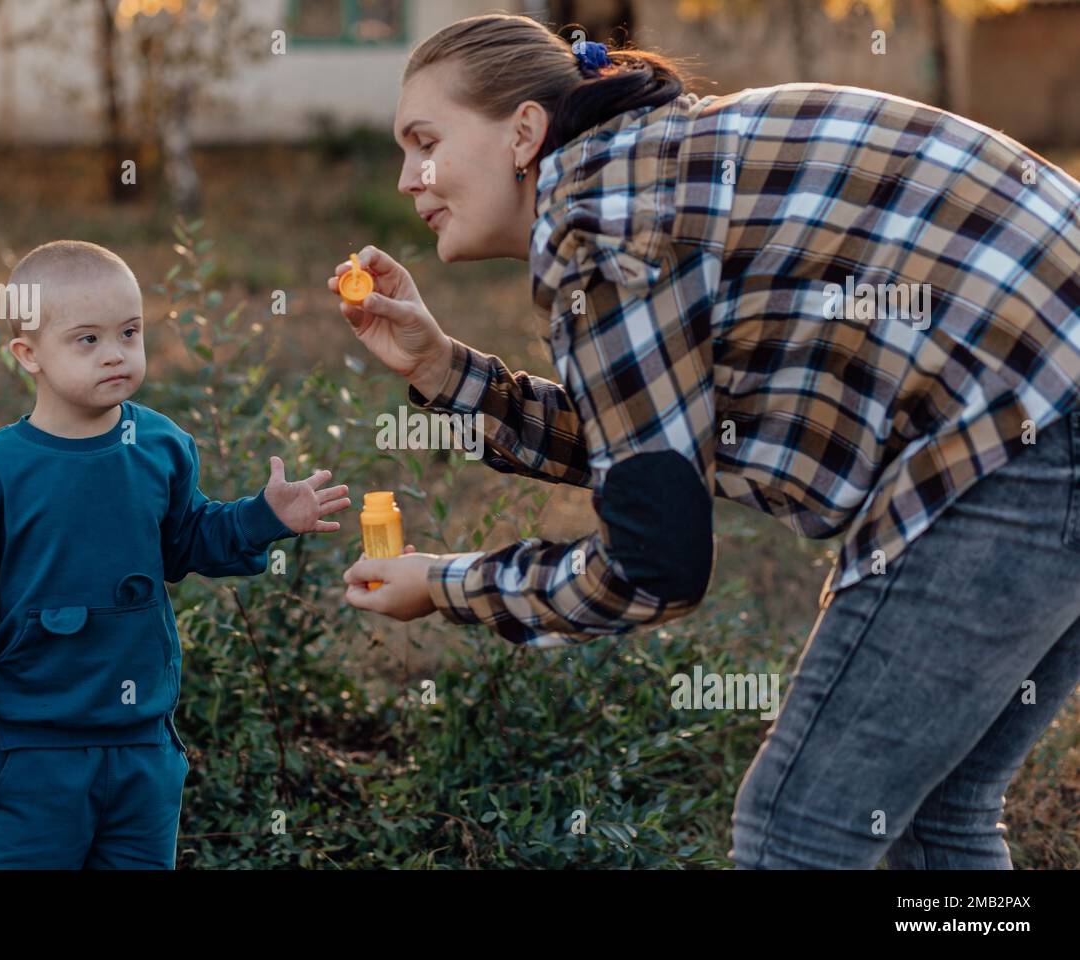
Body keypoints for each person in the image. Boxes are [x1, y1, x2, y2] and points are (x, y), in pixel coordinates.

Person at [334, 13, 1080, 868]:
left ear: (524, 134)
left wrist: (444, 584)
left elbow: (656, 567)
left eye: (424, 140)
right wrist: (441, 370)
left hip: (1031, 426)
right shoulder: (640, 173)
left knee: (795, 827)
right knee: (935, 814)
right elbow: (652, 448)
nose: (404, 180)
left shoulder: (603, 227)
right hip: (1047, 401)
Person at [0, 240, 350, 868]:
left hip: (143, 746)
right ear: (28, 354)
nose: (116, 352)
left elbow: (187, 542)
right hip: (30, 752)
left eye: (130, 332)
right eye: (87, 339)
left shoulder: (160, 445)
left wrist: (263, 518)